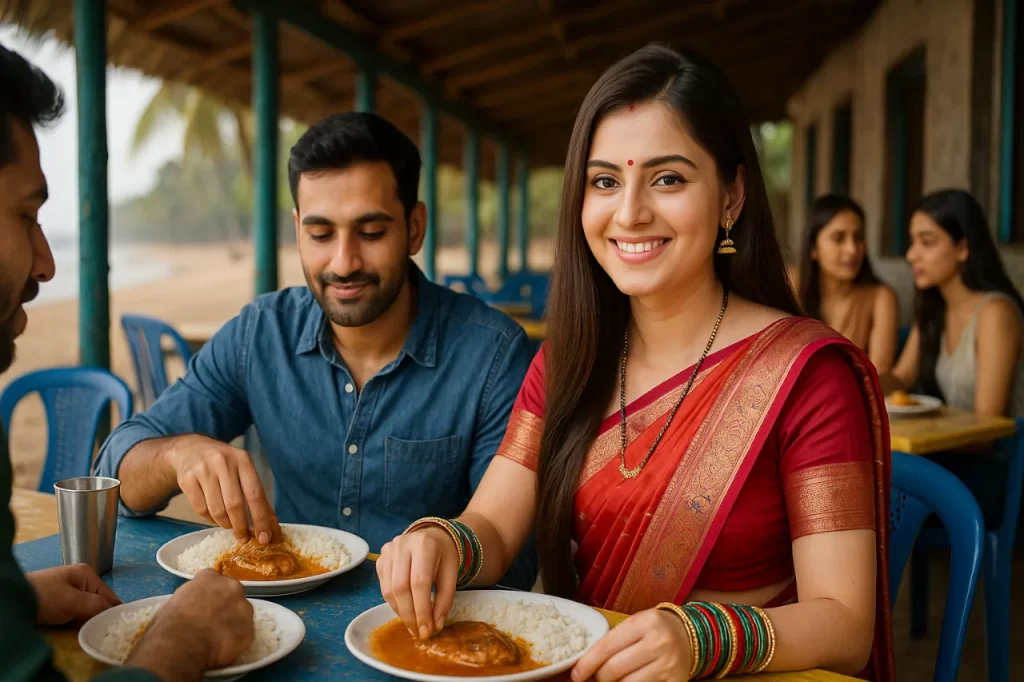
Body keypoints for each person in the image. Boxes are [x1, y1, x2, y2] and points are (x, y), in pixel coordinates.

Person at [377, 45, 895, 681]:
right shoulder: (569, 361)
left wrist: (700, 638)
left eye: (668, 179)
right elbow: (494, 524)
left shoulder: (808, 376)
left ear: (732, 195)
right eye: (605, 182)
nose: (629, 214)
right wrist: (444, 541)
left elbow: (844, 622)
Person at [94, 112, 537, 589]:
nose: (343, 263)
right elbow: (114, 477)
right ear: (298, 227)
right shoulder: (260, 335)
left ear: (414, 228)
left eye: (371, 233)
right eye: (321, 235)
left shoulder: (493, 355)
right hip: (283, 613)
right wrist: (179, 454)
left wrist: (449, 543)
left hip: (428, 626)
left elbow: (515, 553)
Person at [1, 42, 257, 682]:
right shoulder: (259, 336)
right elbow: (114, 459)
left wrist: (15, 602)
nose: (47, 263)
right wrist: (186, 634)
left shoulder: (488, 349)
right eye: (26, 215)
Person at [882, 189, 1024, 525]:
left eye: (927, 242)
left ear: (963, 248)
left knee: (882, 490)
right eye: (912, 241)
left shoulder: (995, 313)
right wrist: (853, 373)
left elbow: (986, 430)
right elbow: (900, 378)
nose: (911, 254)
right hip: (953, 462)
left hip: (1000, 471)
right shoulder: (933, 310)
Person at [796, 194, 899, 372]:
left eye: (858, 237)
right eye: (839, 238)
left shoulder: (880, 297)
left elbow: (878, 374)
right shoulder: (793, 285)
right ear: (813, 249)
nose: (852, 249)